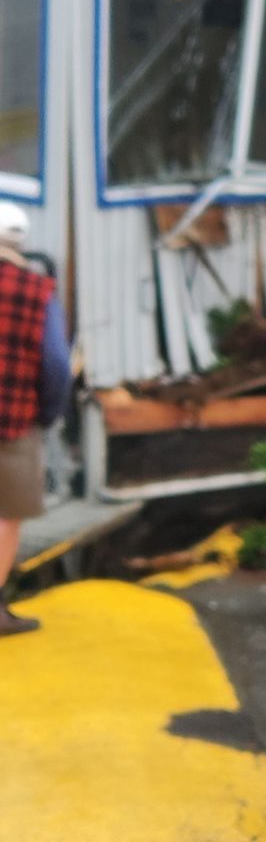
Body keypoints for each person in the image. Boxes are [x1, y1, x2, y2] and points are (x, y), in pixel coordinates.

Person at [0, 200, 70, 637]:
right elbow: (57, 365)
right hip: (12, 422)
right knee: (5, 517)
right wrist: (47, 412)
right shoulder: (37, 290)